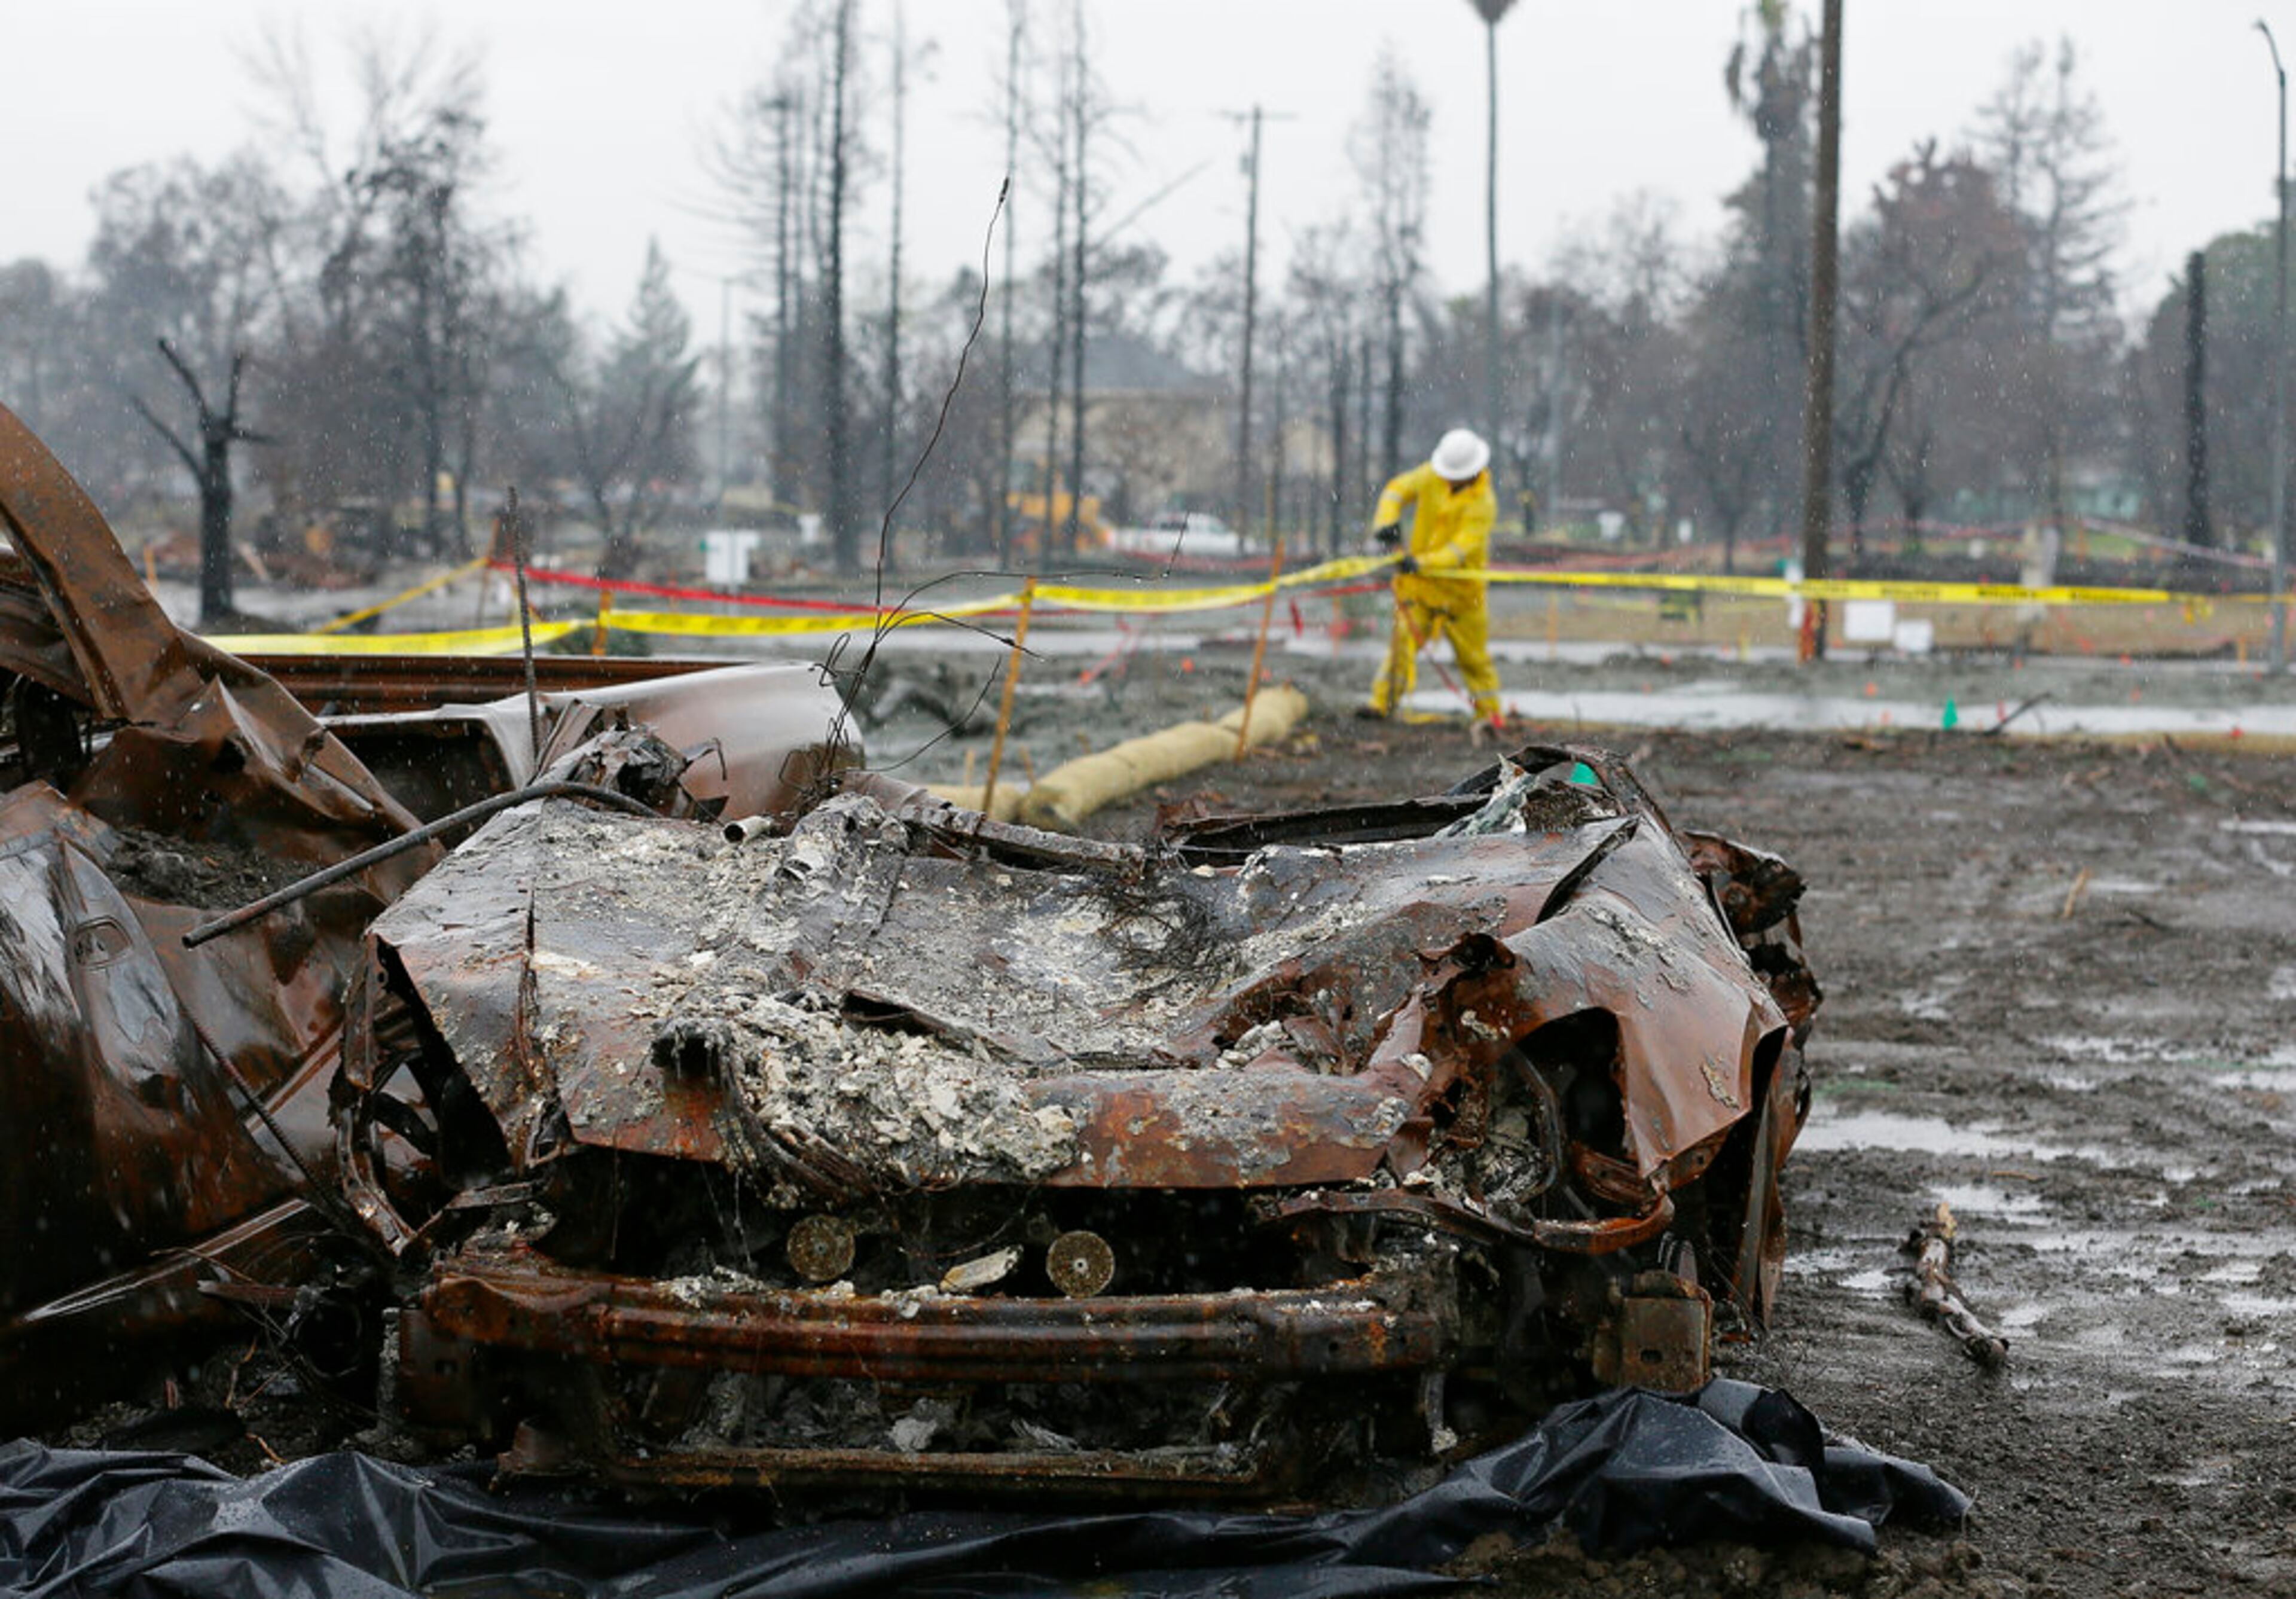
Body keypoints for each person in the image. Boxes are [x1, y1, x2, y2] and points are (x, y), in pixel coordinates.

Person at [1359, 427, 1502, 723]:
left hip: (1463, 597)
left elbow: (1458, 551)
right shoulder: (1431, 477)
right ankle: (1381, 705)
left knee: (1474, 660)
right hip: (1421, 590)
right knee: (1401, 646)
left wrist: (1419, 563)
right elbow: (1396, 490)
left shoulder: (1483, 504)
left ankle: (1489, 716)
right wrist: (1386, 522)